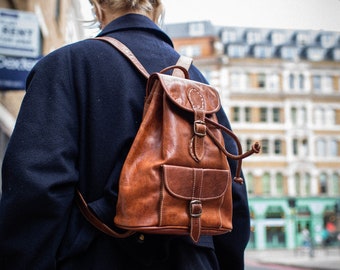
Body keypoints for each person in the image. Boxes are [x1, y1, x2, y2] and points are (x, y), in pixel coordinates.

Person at [0, 0, 251, 269]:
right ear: (157, 6)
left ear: (97, 7)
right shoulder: (198, 83)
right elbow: (231, 196)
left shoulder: (65, 66)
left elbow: (37, 190)